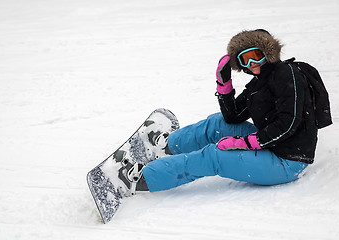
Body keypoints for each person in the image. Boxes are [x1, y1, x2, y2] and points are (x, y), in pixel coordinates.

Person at [121, 29, 319, 195]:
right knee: (218, 124)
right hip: (269, 145)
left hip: (287, 161)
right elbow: (232, 117)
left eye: (256, 56)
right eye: (245, 59)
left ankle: (141, 179)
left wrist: (246, 143)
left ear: (269, 53)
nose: (252, 64)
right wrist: (223, 84)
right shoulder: (258, 84)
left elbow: (289, 123)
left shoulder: (288, 74)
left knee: (215, 155)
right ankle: (166, 147)